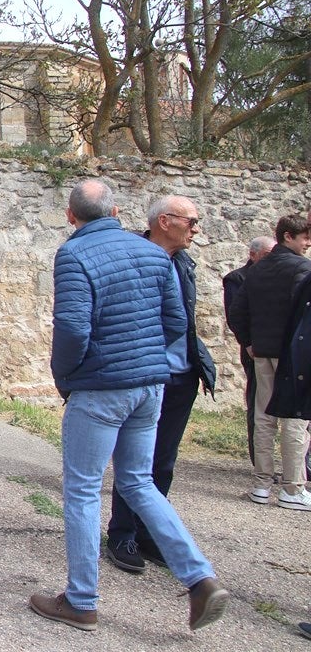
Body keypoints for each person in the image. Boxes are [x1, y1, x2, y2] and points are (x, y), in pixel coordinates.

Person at [29, 179, 227, 633]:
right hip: (149, 385)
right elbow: (177, 321)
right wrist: (144, 356)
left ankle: (81, 600)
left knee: (81, 490)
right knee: (140, 482)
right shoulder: (155, 255)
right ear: (117, 212)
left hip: (101, 387)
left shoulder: (75, 254)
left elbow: (74, 329)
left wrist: (66, 377)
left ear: (69, 215)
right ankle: (198, 577)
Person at [105, 196, 217, 573]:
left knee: (163, 462)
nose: (196, 229)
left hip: (181, 375)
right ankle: (122, 534)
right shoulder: (132, 256)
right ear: (165, 221)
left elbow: (185, 320)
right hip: (143, 373)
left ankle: (149, 534)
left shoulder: (184, 263)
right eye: (191, 221)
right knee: (135, 461)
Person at [228, 214, 311, 509]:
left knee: (263, 417)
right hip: (293, 356)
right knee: (295, 419)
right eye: (304, 238)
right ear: (288, 236)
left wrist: (249, 342)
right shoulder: (303, 268)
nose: (308, 243)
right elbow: (304, 314)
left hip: (262, 352)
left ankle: (262, 485)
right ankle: (293, 487)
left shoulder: (257, 270)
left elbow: (237, 311)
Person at [223, 236, 277, 464]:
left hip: (276, 348)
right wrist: (248, 343)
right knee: (258, 403)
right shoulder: (237, 278)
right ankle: (261, 462)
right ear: (252, 255)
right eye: (266, 256)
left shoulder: (275, 275)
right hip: (255, 349)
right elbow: (236, 316)